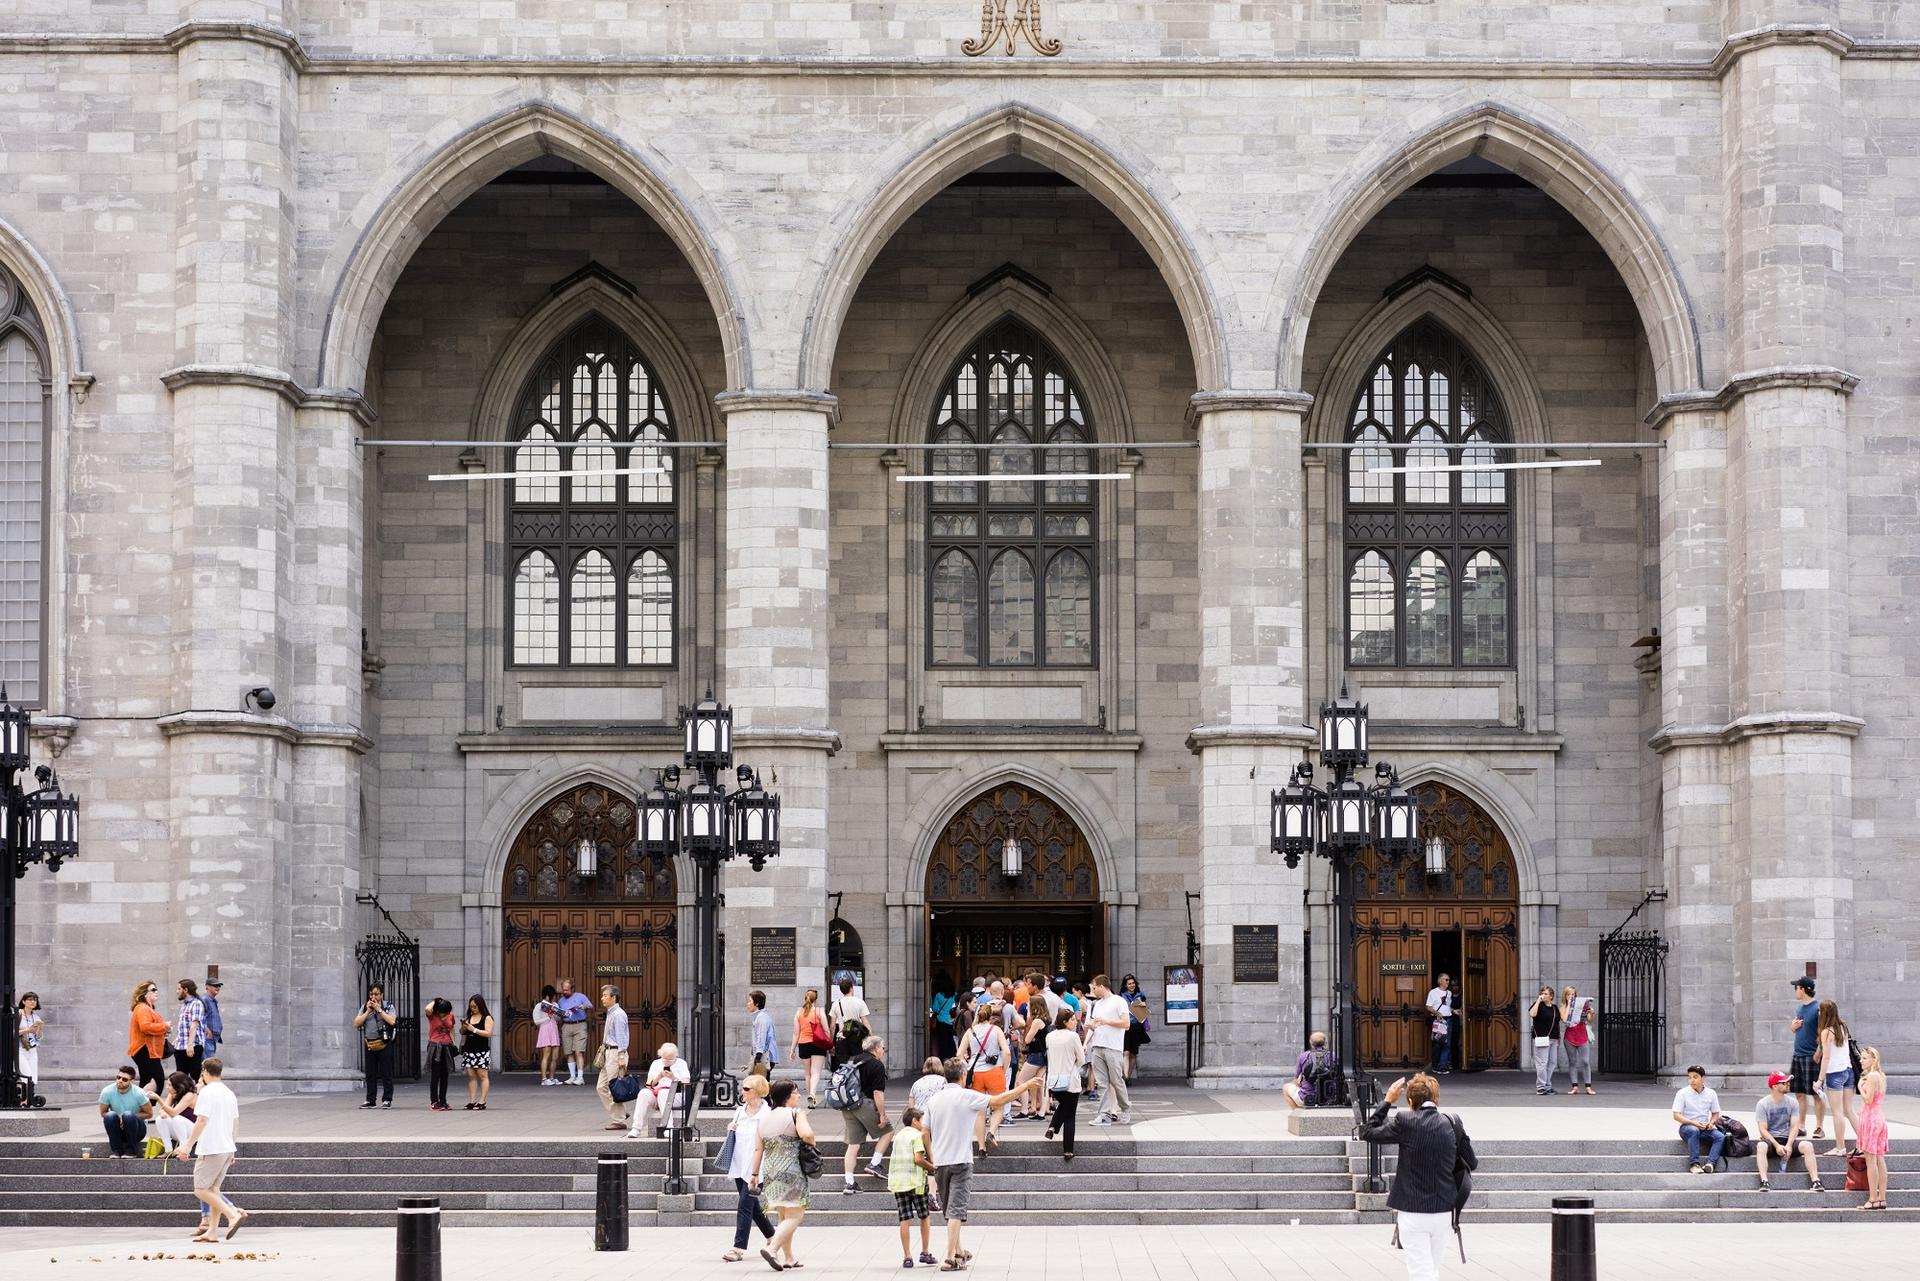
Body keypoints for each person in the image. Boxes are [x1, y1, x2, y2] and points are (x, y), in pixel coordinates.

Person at [923, 1058, 1042, 1271]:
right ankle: (950, 1258)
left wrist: (932, 1157)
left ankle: (959, 1251)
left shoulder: (935, 1100)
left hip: (940, 1162)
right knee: (956, 1211)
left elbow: (925, 1131)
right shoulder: (966, 1096)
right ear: (962, 1076)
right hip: (960, 1161)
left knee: (950, 1211)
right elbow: (998, 1101)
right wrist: (1025, 1086)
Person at [1358, 1073, 1477, 1281]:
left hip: (1413, 1211)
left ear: (1411, 1100)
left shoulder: (1405, 1121)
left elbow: (1367, 1132)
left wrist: (1387, 1101)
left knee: (1421, 1271)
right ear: (1436, 1098)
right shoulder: (1453, 1123)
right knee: (1431, 1269)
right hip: (1444, 1211)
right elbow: (1472, 1163)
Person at [749, 1079, 816, 1271]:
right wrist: (812, 1144)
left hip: (770, 1170)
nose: (799, 1096)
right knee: (795, 1215)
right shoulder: (796, 1113)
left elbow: (757, 1149)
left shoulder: (763, 1119)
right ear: (788, 1096)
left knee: (784, 1215)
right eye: (796, 1092)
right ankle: (772, 1249)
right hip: (792, 1168)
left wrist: (754, 1174)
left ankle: (789, 1257)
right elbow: (807, 1134)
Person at [178, 1057, 245, 1241]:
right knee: (213, 1189)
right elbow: (235, 1122)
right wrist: (232, 1147)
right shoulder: (229, 1093)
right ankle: (213, 1232)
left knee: (200, 1189)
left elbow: (202, 1120)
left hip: (211, 1147)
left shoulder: (207, 1092)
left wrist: (187, 1145)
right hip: (226, 1147)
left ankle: (232, 1214)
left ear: (205, 1072)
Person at [722, 1074, 777, 1262]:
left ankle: (738, 1248)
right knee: (753, 1207)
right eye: (742, 1088)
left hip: (757, 1167)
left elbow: (769, 1143)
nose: (742, 1092)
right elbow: (737, 1136)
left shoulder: (767, 1114)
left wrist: (758, 1171)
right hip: (739, 1164)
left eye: (746, 1089)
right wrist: (731, 1128)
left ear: (757, 1092)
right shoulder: (739, 1110)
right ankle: (773, 1237)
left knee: (744, 1205)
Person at [838, 1034, 895, 1191]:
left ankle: (849, 1183)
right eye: (883, 1048)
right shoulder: (876, 1065)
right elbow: (878, 1093)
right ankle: (874, 1164)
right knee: (888, 1131)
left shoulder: (853, 1060)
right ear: (876, 1048)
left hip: (848, 1105)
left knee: (853, 1144)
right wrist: (882, 1114)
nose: (883, 1051)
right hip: (865, 1104)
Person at [1752, 1071, 1822, 1192]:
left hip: (1788, 1138)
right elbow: (1762, 1129)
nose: (1788, 1084)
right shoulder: (1762, 1104)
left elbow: (1795, 1126)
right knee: (1761, 1146)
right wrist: (1776, 1145)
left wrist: (1789, 1145)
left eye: (1788, 1081)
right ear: (1774, 1086)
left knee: (1808, 1145)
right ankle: (1764, 1181)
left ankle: (1816, 1181)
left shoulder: (1792, 1102)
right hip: (1771, 1141)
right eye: (1784, 1082)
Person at [958, 1004, 1012, 1153]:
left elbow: (959, 1054)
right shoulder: (996, 1030)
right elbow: (1006, 1052)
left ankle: (981, 1146)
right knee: (999, 1106)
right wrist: (1003, 1068)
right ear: (990, 1016)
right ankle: (992, 1132)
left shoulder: (970, 1031)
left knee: (979, 1111)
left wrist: (967, 1065)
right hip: (994, 1071)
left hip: (976, 1073)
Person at [890, 1106, 938, 1268]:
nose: (923, 1124)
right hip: (916, 1182)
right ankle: (925, 1252)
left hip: (898, 1182)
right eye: (921, 1121)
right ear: (915, 1121)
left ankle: (907, 1256)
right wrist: (932, 1167)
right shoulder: (918, 1135)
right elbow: (918, 1158)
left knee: (904, 1218)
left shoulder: (898, 1136)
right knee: (924, 1216)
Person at [1086, 973, 1132, 1126]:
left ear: (1101, 986)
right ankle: (1104, 1114)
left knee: (1116, 1080)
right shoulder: (1097, 1004)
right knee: (1102, 1082)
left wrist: (1106, 1022)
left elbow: (1126, 1024)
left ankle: (1125, 1108)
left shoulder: (1119, 1001)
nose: (1093, 991)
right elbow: (1096, 1023)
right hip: (1098, 1045)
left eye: (1094, 988)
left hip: (1113, 1046)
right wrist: (1091, 1028)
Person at [1042, 1008, 1085, 1159]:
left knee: (1064, 1106)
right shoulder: (1073, 1036)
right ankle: (1068, 1150)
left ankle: (1053, 1127)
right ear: (1065, 1022)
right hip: (1071, 1080)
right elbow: (1081, 1059)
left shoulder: (1049, 1036)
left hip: (1054, 1080)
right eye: (1072, 1019)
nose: (1075, 1021)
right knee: (1070, 1115)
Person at [1815, 998, 1856, 1155]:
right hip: (1848, 1071)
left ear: (1823, 1013)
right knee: (1849, 1110)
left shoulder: (1827, 1032)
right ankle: (1866, 1143)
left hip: (1835, 1074)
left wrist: (1820, 1080)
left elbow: (1826, 1057)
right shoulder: (1843, 1026)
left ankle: (1840, 1147)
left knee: (1837, 1112)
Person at [627, 1040, 692, 1139]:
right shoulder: (656, 1063)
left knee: (664, 1093)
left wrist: (673, 1078)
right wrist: (658, 1077)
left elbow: (686, 1084)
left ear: (676, 1056)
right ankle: (636, 1128)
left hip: (676, 1095)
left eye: (670, 1060)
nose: (667, 1062)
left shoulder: (681, 1063)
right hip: (657, 1093)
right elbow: (649, 1085)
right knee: (643, 1093)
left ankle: (668, 1127)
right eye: (664, 1059)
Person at [1788, 975, 1826, 1139]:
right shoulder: (1800, 1009)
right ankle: (1801, 1126)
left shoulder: (1818, 1008)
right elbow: (1797, 1029)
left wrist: (1819, 1052)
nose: (1795, 990)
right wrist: (1793, 1027)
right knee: (1799, 1093)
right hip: (1798, 1055)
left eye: (1796, 987)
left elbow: (1824, 1032)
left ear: (1802, 989)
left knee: (1816, 1093)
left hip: (1812, 1056)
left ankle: (1819, 1127)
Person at [1672, 1064, 1725, 1173]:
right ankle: (1694, 1164)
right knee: (1694, 1130)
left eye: (1695, 1077)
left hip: (1704, 1127)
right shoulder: (1682, 1093)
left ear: (1702, 1078)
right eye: (1689, 1077)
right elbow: (1676, 1115)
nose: (1692, 1080)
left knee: (1720, 1136)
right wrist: (1693, 1123)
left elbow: (1715, 1113)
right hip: (1687, 1127)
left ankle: (1710, 1163)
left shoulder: (1711, 1093)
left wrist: (1711, 1123)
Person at [1854, 1046, 1889, 1210]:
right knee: (1879, 1159)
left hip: (1871, 1120)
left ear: (1874, 1060)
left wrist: (1860, 1086)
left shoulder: (1872, 1077)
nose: (1861, 1060)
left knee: (1871, 1160)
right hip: (1879, 1118)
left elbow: (1868, 1099)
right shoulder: (1880, 1076)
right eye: (1861, 1058)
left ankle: (1873, 1198)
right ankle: (1881, 1198)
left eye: (1865, 1058)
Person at [354, 982, 398, 1109]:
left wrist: (379, 1009)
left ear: (381, 994)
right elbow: (356, 1023)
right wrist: (368, 1011)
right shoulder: (364, 1007)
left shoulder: (388, 1006)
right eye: (371, 994)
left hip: (384, 1044)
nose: (373, 997)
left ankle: (387, 1099)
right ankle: (370, 1100)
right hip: (370, 1044)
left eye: (376, 994)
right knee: (370, 1074)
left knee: (386, 1073)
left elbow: (392, 1021)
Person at [98, 1063, 153, 1158]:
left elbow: (149, 1114)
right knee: (110, 1115)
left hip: (137, 1129)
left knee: (128, 1115)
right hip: (118, 1128)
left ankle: (131, 1151)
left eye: (124, 1079)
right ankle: (116, 1151)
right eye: (118, 1077)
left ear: (131, 1081)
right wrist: (119, 1118)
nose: (120, 1081)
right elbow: (103, 1113)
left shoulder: (139, 1093)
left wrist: (130, 1116)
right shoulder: (107, 1091)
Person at [596, 984, 631, 1129]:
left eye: (605, 995)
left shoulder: (618, 1014)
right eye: (603, 995)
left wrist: (621, 1057)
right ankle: (620, 1112)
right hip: (608, 1052)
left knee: (614, 1087)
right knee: (601, 1087)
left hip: (615, 1053)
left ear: (613, 997)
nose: (602, 998)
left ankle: (619, 1120)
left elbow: (621, 1037)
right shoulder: (611, 1012)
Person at [791, 989, 832, 1106]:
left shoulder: (799, 1013)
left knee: (807, 1073)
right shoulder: (819, 1011)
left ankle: (811, 1103)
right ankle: (812, 1094)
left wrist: (792, 1050)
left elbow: (796, 1033)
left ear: (805, 998)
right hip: (818, 1044)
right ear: (816, 999)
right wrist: (829, 1044)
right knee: (816, 1073)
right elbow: (826, 1030)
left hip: (803, 1044)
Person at [127, 980, 170, 1092]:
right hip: (145, 1049)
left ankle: (141, 1106)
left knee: (147, 1079)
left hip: (147, 1049)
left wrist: (164, 1030)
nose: (156, 992)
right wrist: (164, 1026)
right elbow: (145, 1027)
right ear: (144, 994)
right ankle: (145, 1104)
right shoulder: (142, 1008)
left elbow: (151, 1027)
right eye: (153, 990)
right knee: (158, 1079)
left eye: (157, 989)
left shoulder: (148, 1008)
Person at [1012, 997, 1049, 1121]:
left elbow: (1027, 1039)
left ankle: (1024, 1110)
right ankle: (1041, 1113)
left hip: (1035, 1055)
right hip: (1043, 1054)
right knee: (1041, 1084)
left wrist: (1030, 1036)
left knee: (1021, 1081)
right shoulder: (1046, 1019)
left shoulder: (1036, 1021)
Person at [148, 1069, 199, 1156]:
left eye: (170, 1085)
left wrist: (158, 1099)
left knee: (176, 1118)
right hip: (179, 1129)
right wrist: (162, 1113)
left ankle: (183, 1150)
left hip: (193, 1132)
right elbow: (163, 1109)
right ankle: (168, 1150)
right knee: (160, 1119)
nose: (167, 1087)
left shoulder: (190, 1095)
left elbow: (174, 1113)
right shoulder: (172, 1093)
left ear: (179, 1086)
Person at [1284, 1031, 1338, 1110]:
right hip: (1329, 1098)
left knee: (1286, 1087)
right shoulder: (1333, 1056)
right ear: (1325, 1043)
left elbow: (1296, 1079)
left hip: (1307, 1098)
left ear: (1310, 1042)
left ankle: (1298, 1113)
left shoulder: (1304, 1056)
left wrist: (1300, 1082)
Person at [459, 994, 493, 1109]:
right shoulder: (469, 1017)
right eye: (471, 1007)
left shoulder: (487, 1017)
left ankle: (482, 1101)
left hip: (481, 1050)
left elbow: (488, 1033)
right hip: (469, 1050)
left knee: (482, 1075)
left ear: (480, 1006)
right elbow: (463, 1033)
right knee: (471, 1076)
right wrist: (464, 1027)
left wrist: (473, 1029)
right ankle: (472, 1101)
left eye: (475, 1007)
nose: (473, 1009)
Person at [172, 978, 210, 1082]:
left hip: (193, 1047)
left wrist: (190, 1045)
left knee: (195, 1076)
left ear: (186, 990)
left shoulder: (197, 1004)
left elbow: (194, 1025)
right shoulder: (184, 1005)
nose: (177, 991)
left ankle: (195, 1097)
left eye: (179, 989)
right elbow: (184, 1026)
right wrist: (176, 1040)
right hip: (180, 1046)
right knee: (180, 1078)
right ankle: (183, 1098)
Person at [1526, 985, 1561, 1095]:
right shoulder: (1539, 1006)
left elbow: (1557, 1023)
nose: (1543, 995)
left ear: (1551, 996)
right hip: (1542, 1038)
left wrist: (1558, 1038)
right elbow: (1532, 1014)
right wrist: (1538, 1001)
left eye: (1545, 993)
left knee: (1552, 1063)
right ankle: (1541, 1087)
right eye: (1542, 993)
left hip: (1553, 1038)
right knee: (1542, 1063)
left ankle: (1547, 1085)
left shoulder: (1555, 1008)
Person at [557, 978, 592, 1086]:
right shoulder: (561, 1000)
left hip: (580, 1025)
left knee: (578, 1051)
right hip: (566, 1026)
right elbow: (559, 1015)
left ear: (572, 988)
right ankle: (572, 1076)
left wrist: (584, 1006)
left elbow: (590, 1006)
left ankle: (580, 1077)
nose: (564, 992)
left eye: (567, 990)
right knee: (568, 1052)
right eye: (563, 990)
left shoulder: (581, 996)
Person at [830, 976, 871, 1068]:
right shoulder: (860, 1002)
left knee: (842, 1067)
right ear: (851, 988)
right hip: (856, 1039)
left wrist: (831, 1043)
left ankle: (844, 1082)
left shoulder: (836, 1004)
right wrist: (870, 1037)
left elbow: (832, 1026)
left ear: (841, 990)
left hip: (841, 1039)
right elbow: (865, 1022)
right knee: (858, 1065)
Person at [1559, 988, 1595, 1097]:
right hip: (1569, 1037)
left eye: (1573, 994)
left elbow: (1589, 1020)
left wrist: (1592, 1013)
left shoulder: (1583, 1005)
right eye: (1569, 994)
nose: (1571, 996)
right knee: (1572, 1061)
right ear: (1565, 996)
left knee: (1585, 1061)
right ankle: (1575, 1086)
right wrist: (1570, 1004)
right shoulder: (1563, 1007)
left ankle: (1588, 1086)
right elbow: (1565, 1019)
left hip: (1582, 1035)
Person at [423, 997, 456, 1112]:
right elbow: (427, 1008)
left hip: (447, 1046)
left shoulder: (451, 1016)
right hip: (435, 1046)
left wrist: (453, 1043)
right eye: (442, 1014)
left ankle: (443, 1100)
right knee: (435, 1075)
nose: (444, 1016)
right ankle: (434, 1101)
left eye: (446, 1013)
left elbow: (452, 1029)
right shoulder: (432, 1015)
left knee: (445, 1076)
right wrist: (436, 1001)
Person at [1118, 974, 1151, 1078]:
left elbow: (1146, 1009)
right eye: (1129, 984)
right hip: (1126, 1026)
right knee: (1125, 1052)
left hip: (1137, 1026)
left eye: (1133, 983)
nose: (1131, 985)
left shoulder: (1141, 995)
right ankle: (1125, 1077)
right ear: (1125, 985)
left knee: (1133, 1053)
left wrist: (1144, 1006)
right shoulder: (1121, 996)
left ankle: (1128, 1075)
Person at [1424, 974, 1454, 1074]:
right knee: (1437, 1043)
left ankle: (1441, 1067)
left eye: (1449, 980)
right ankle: (1435, 1066)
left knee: (1447, 1044)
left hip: (1448, 1019)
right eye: (1446, 980)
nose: (1448, 982)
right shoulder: (1433, 992)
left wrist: (1454, 1011)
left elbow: (1447, 1007)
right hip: (1438, 1020)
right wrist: (1437, 1013)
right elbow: (1428, 1006)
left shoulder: (1449, 993)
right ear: (1440, 981)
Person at [533, 984, 562, 1085]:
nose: (551, 998)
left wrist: (557, 1014)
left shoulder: (555, 1004)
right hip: (545, 1029)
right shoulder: (539, 1006)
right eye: (550, 995)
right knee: (546, 1054)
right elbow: (536, 1021)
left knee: (555, 1056)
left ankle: (552, 1077)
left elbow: (558, 1019)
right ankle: (544, 1079)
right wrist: (548, 1017)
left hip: (554, 1029)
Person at [15, 991, 42, 1097]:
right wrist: (28, 1030)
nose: (33, 1002)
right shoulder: (18, 1014)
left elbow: (38, 1037)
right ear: (24, 1001)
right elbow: (11, 1032)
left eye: (35, 1000)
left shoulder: (36, 1017)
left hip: (32, 1049)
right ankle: (23, 1099)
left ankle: (27, 1099)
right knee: (27, 1075)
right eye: (30, 999)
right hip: (20, 1049)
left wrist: (40, 1030)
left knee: (33, 1077)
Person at [748, 989, 779, 1079]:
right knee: (762, 1082)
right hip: (765, 1055)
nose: (748, 1004)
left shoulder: (761, 1018)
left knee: (761, 1083)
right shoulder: (761, 1017)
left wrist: (758, 1055)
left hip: (764, 1056)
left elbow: (761, 1037)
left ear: (756, 1003)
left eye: (750, 1001)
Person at [928, 975, 958, 1061]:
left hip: (941, 1021)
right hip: (952, 1021)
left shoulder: (938, 995)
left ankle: (944, 1059)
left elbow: (934, 1009)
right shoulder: (954, 995)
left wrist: (931, 1015)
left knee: (942, 1042)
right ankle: (953, 1057)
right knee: (951, 1040)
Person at [201, 980, 223, 1059]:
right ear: (207, 987)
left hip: (212, 1037)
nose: (218, 987)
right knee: (209, 1063)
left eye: (219, 986)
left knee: (209, 1062)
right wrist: (207, 1031)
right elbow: (200, 1017)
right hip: (207, 1037)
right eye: (215, 986)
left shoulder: (213, 1001)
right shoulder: (205, 999)